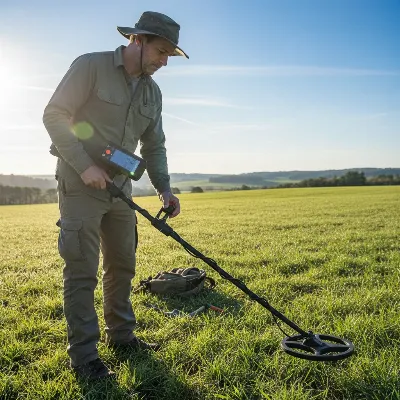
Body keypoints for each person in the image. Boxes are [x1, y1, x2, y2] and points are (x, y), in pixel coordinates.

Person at [43, 11, 188, 380]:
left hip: (121, 189)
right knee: (82, 272)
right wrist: (83, 165)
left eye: (170, 55)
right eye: (160, 51)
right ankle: (85, 357)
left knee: (122, 265)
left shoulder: (152, 92)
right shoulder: (90, 67)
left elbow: (154, 146)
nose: (163, 61)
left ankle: (122, 337)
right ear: (137, 40)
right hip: (80, 185)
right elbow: (55, 115)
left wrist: (165, 189)